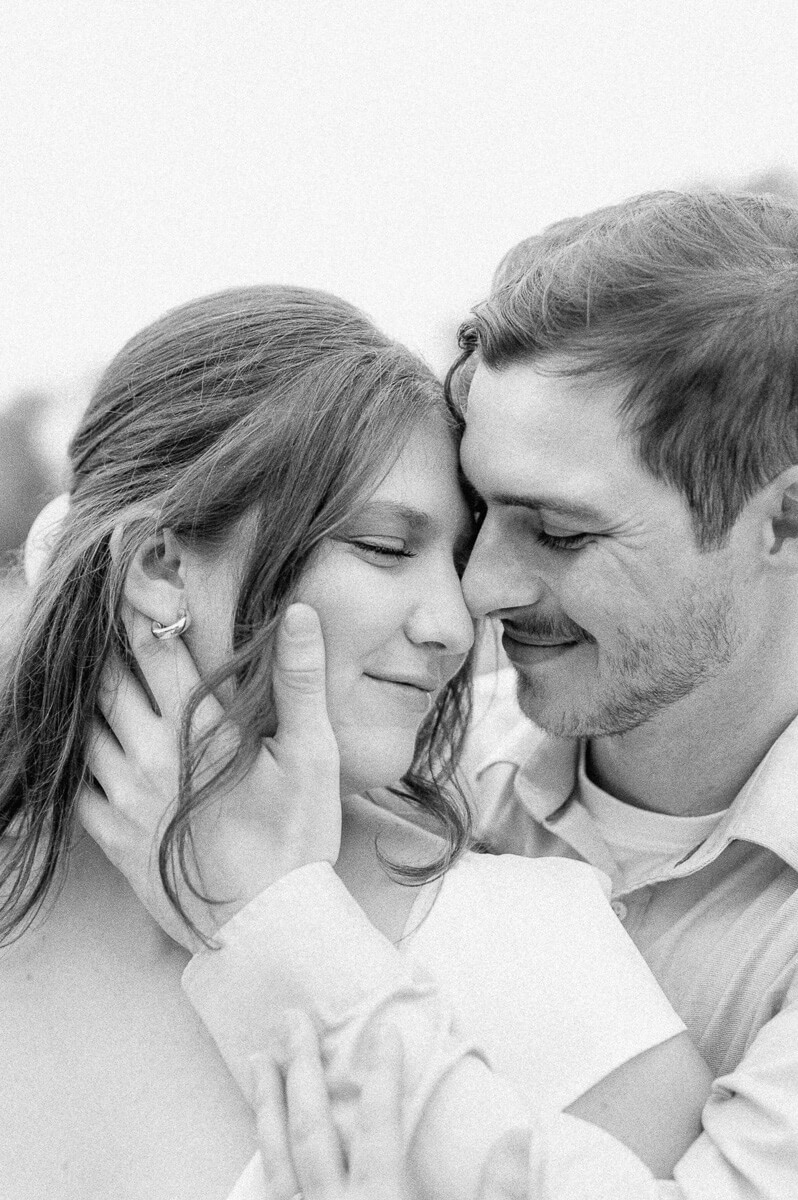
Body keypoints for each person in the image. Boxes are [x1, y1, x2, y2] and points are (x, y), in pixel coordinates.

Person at [93, 189, 798, 1200]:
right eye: (478, 525)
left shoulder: (309, 850)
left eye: (559, 532)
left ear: (783, 522)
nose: (478, 596)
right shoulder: (409, 772)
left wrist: (274, 920)